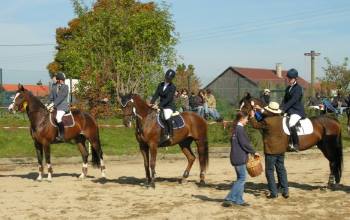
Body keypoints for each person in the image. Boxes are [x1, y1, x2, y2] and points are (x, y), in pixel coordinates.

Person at [251, 102, 289, 199]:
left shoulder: (267, 121)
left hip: (271, 150)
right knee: (281, 169)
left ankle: (273, 192)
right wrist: (259, 109)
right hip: (281, 149)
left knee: (269, 171)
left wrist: (252, 116)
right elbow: (267, 114)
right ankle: (285, 190)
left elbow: (255, 125)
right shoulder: (281, 119)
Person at [222, 111, 259, 207]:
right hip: (239, 158)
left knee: (240, 178)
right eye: (246, 119)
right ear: (242, 119)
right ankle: (229, 198)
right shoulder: (240, 129)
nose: (247, 121)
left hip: (235, 157)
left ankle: (239, 200)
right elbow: (245, 144)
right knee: (242, 178)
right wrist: (254, 152)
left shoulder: (235, 129)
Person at [281, 69, 305, 152]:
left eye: (290, 78)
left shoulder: (298, 88)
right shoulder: (288, 88)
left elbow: (293, 100)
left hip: (297, 111)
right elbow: (285, 100)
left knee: (291, 123)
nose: (289, 80)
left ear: (295, 79)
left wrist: (284, 109)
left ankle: (296, 144)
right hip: (289, 110)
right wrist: (280, 108)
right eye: (288, 78)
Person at [150, 69, 177, 144]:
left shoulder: (173, 87)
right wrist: (151, 103)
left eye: (169, 78)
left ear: (171, 79)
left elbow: (169, 98)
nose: (167, 79)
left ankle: (169, 134)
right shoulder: (160, 84)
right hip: (160, 106)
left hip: (169, 106)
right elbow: (156, 95)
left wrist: (158, 105)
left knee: (166, 116)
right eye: (167, 77)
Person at [47, 72, 69, 141]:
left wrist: (53, 104)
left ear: (59, 79)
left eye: (56, 78)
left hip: (63, 107)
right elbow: (51, 97)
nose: (55, 79)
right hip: (55, 106)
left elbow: (61, 97)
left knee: (58, 117)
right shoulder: (54, 87)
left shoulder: (65, 87)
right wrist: (47, 104)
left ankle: (62, 134)